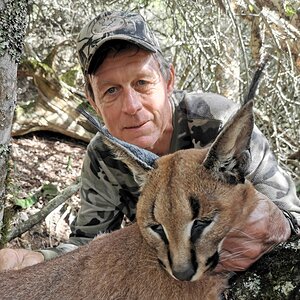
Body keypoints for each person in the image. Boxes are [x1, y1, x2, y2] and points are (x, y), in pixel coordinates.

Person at [1, 11, 299, 272]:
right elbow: (85, 245)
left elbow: (292, 217)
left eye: (142, 83)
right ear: (92, 100)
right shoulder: (104, 157)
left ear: (169, 79)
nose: (131, 106)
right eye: (111, 91)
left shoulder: (220, 122)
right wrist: (39, 259)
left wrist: (273, 224)